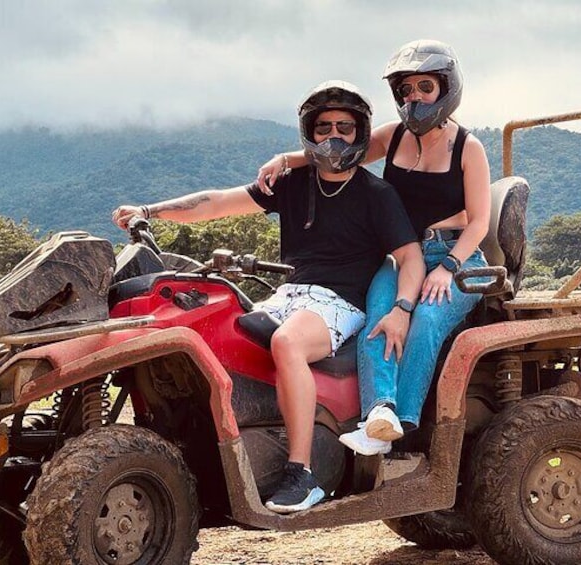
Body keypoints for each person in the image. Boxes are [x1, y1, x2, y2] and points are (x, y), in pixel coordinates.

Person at [113, 80, 424, 513]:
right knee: (220, 335)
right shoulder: (293, 182)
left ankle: (303, 474)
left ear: (360, 133)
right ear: (309, 132)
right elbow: (218, 203)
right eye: (324, 127)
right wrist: (149, 210)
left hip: (339, 303)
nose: (333, 136)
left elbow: (410, 257)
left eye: (345, 127)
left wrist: (402, 309)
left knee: (286, 342)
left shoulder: (376, 194)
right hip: (288, 295)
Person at [256, 39, 491, 456]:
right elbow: (338, 154)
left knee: (426, 322)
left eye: (424, 87)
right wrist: (287, 159)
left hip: (454, 255)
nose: (414, 97)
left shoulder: (467, 148)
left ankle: (404, 421)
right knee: (377, 319)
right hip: (404, 254)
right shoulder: (394, 135)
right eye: (406, 90)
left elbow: (479, 222)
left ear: (445, 87)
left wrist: (448, 267)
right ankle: (377, 416)